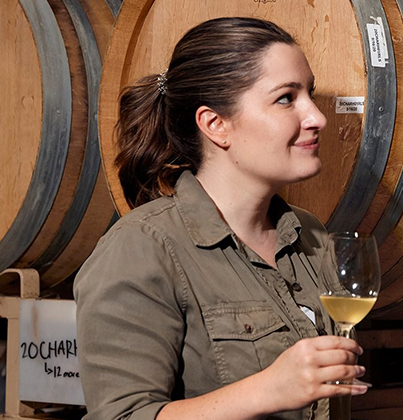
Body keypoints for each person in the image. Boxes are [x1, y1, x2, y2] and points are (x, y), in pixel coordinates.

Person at [74, 17, 367, 420]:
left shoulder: (309, 235)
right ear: (216, 125)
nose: (317, 117)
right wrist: (267, 390)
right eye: (286, 98)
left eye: (309, 94)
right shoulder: (142, 247)